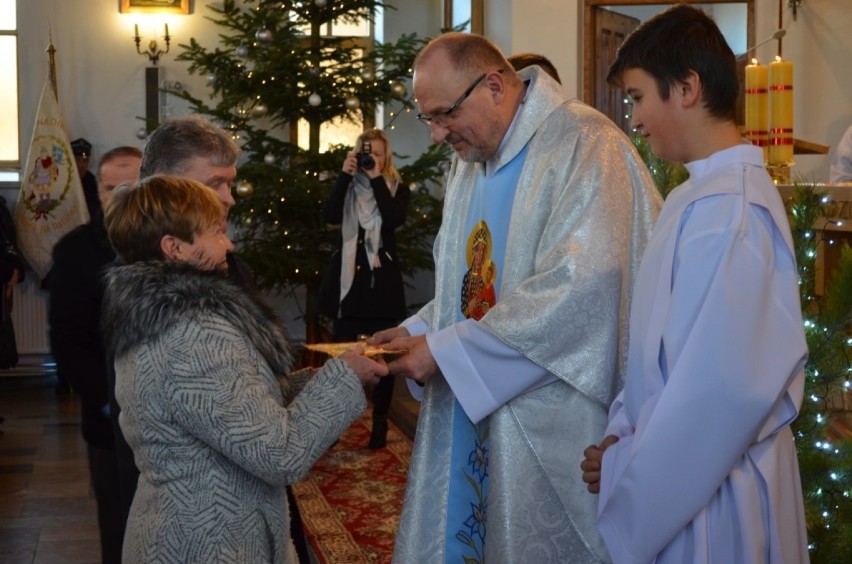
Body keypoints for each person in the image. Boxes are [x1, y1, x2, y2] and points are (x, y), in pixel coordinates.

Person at [370, 32, 661, 562]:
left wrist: (445, 351)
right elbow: (472, 285)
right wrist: (419, 331)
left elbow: (581, 287)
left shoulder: (584, 145)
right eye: (427, 119)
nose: (436, 136)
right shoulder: (473, 159)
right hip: (472, 407)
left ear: (495, 86)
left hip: (549, 424)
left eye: (443, 115)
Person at [580, 5, 809, 562]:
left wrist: (631, 467)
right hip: (677, 474)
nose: (633, 118)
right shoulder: (694, 197)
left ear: (686, 88)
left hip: (711, 495)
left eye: (637, 97)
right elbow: (656, 350)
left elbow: (719, 392)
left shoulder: (733, 213)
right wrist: (621, 429)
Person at [101, 175, 388, 563]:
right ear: (175, 248)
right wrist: (345, 379)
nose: (229, 244)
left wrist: (315, 382)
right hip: (207, 543)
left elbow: (230, 408)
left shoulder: (166, 318)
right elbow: (279, 454)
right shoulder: (192, 334)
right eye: (216, 233)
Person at [110, 115, 312, 562]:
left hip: (243, 493)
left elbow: (241, 387)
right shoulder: (154, 292)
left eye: (230, 183)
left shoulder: (221, 267)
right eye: (214, 184)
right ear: (169, 187)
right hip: (198, 519)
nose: (229, 198)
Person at [46, 146, 142, 564]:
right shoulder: (75, 251)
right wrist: (111, 404)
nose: (120, 195)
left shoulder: (170, 245)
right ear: (98, 193)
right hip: (111, 424)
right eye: (110, 187)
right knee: (120, 530)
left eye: (132, 185)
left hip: (173, 420)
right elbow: (69, 342)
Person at [318, 128, 410, 449]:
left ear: (387, 157)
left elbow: (394, 219)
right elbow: (329, 216)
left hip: (381, 286)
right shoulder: (346, 187)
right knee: (343, 356)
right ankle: (336, 424)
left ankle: (380, 422)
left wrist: (374, 180)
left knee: (384, 356)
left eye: (379, 154)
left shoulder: (397, 188)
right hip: (348, 287)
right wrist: (345, 177)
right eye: (367, 152)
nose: (373, 158)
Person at [71, 138, 102, 218]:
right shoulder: (61, 180)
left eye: (85, 160)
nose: (81, 165)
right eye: (77, 159)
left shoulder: (92, 182)